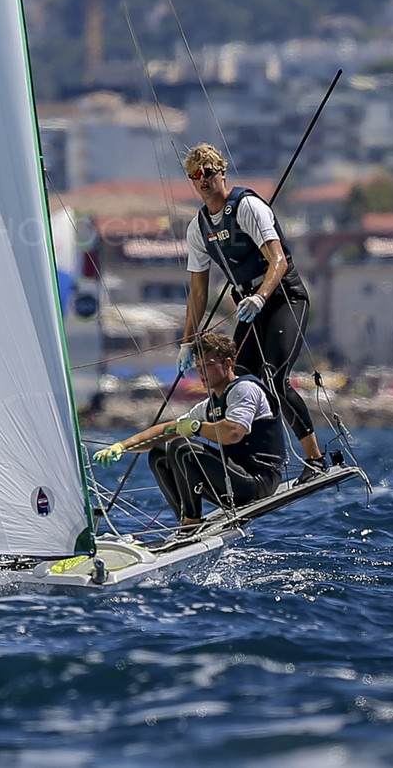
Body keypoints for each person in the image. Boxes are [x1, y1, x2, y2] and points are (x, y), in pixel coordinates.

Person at [178, 142, 328, 483]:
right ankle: (254, 465)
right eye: (195, 175)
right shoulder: (198, 228)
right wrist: (188, 343)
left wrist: (261, 297)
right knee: (237, 380)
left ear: (222, 173)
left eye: (208, 172)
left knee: (273, 378)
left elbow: (279, 260)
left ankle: (315, 458)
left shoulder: (247, 206)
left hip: (283, 298)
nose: (203, 180)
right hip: (249, 306)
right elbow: (198, 292)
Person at [91, 333, 285, 524]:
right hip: (232, 481)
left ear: (227, 364)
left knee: (183, 448)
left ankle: (191, 521)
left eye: (207, 366)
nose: (201, 373)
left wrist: (196, 427)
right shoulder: (208, 405)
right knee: (160, 452)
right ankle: (184, 520)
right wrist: (121, 447)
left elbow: (233, 433)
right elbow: (168, 429)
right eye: (198, 367)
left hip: (258, 481)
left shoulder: (244, 389)